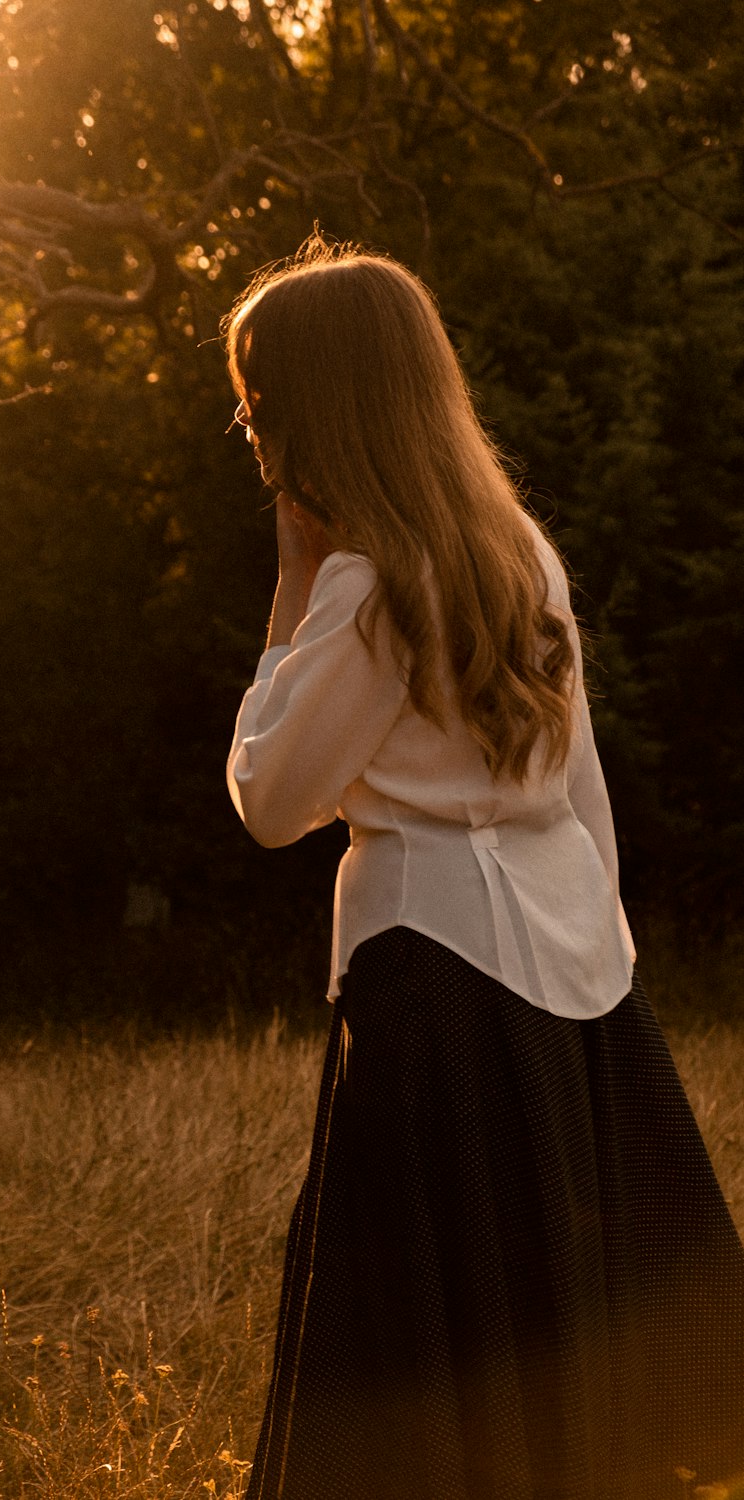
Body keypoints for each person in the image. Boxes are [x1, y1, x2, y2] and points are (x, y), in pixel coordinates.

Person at [223, 237, 744, 1500]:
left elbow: (268, 801)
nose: (249, 432)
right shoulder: (522, 553)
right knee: (557, 1310)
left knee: (430, 1344)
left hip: (434, 982)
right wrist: (605, 971)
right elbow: (579, 788)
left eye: (258, 404)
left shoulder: (362, 589)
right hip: (574, 979)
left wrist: (290, 588)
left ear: (314, 412)